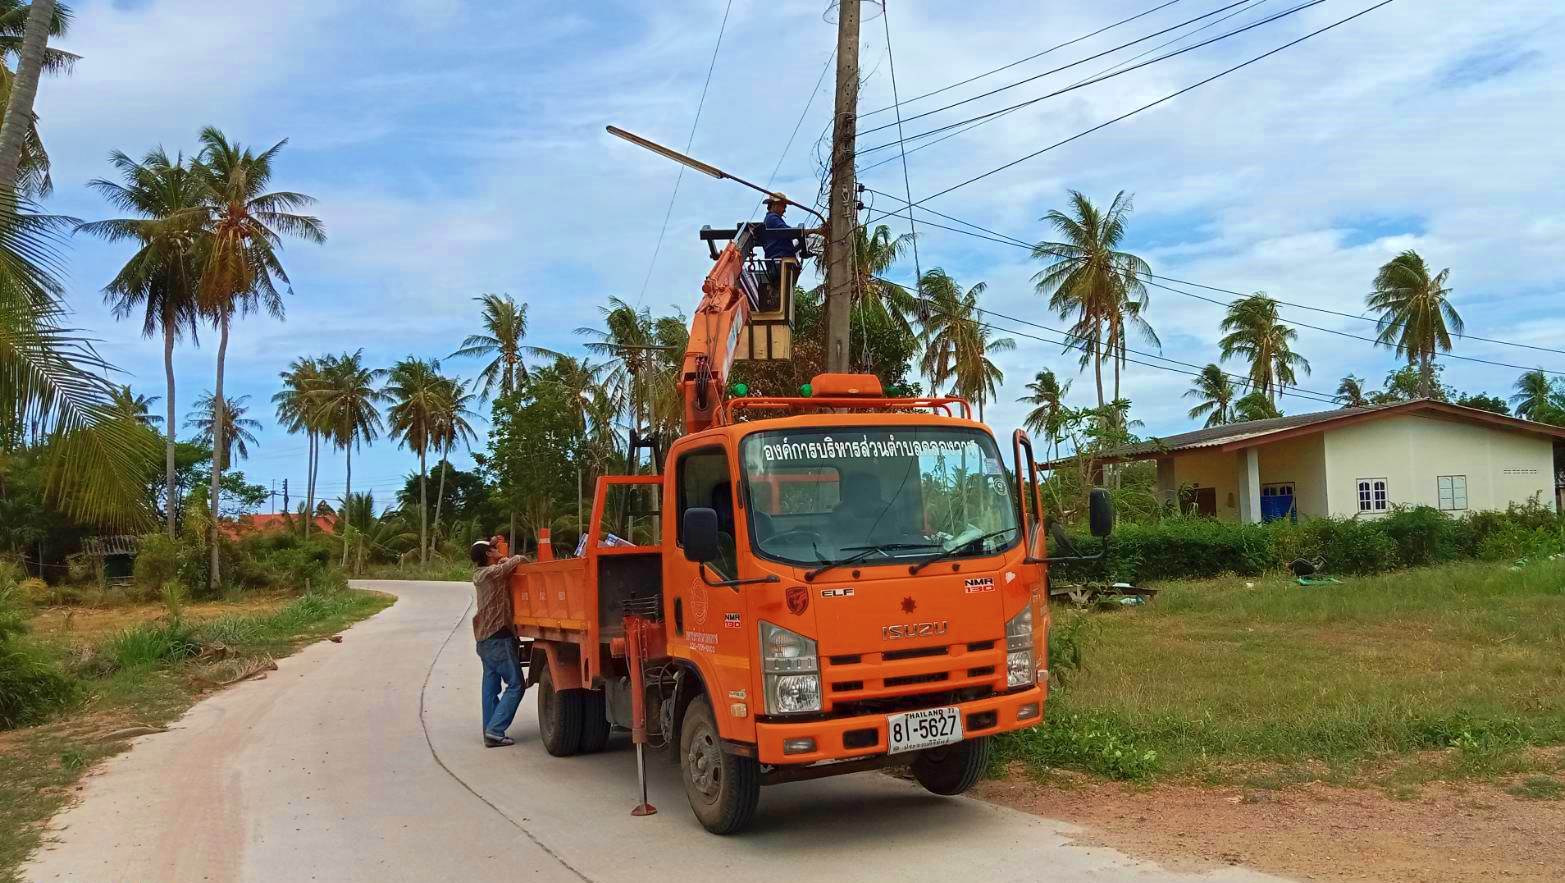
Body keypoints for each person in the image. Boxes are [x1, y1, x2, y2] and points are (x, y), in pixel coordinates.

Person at [471, 536, 525, 747]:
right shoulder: (493, 573)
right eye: (493, 548)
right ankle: (495, 729)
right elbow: (520, 560)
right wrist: (509, 558)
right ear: (488, 554)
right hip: (498, 637)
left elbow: (501, 562)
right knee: (516, 685)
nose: (497, 549)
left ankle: (490, 730)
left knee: (490, 687)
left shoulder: (481, 574)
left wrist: (492, 544)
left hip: (484, 638)